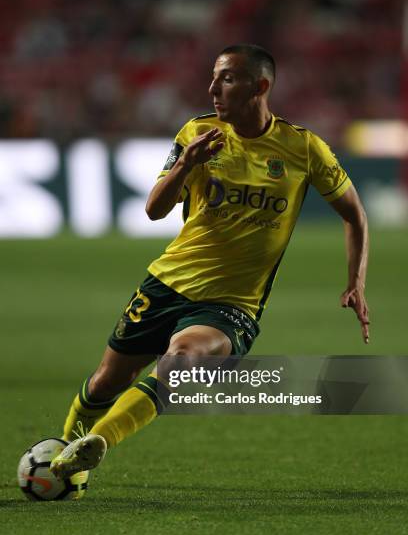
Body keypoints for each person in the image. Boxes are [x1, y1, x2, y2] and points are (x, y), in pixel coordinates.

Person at [50, 44, 369, 478]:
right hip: (167, 283)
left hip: (233, 303)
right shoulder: (196, 134)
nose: (213, 88)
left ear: (260, 86)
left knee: (180, 362)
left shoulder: (303, 148)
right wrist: (185, 164)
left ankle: (99, 442)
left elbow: (354, 213)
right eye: (215, 77)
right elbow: (154, 210)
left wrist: (356, 282)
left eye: (228, 79)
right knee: (107, 380)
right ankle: (63, 454)